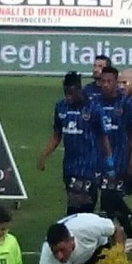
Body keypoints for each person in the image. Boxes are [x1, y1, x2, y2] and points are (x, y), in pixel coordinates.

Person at [37, 72, 114, 216]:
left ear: (79, 89)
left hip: (89, 167)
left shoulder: (94, 108)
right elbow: (57, 135)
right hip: (69, 167)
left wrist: (109, 161)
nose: (68, 97)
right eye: (66, 93)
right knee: (74, 205)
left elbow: (104, 137)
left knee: (83, 207)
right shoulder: (61, 107)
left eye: (71, 93)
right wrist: (44, 155)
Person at [95, 66, 132, 250]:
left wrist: (131, 161)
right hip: (98, 160)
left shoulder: (126, 104)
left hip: (119, 160)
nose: (105, 85)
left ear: (115, 82)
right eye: (102, 81)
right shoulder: (95, 103)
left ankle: (130, 235)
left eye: (109, 81)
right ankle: (121, 225)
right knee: (107, 199)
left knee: (109, 196)